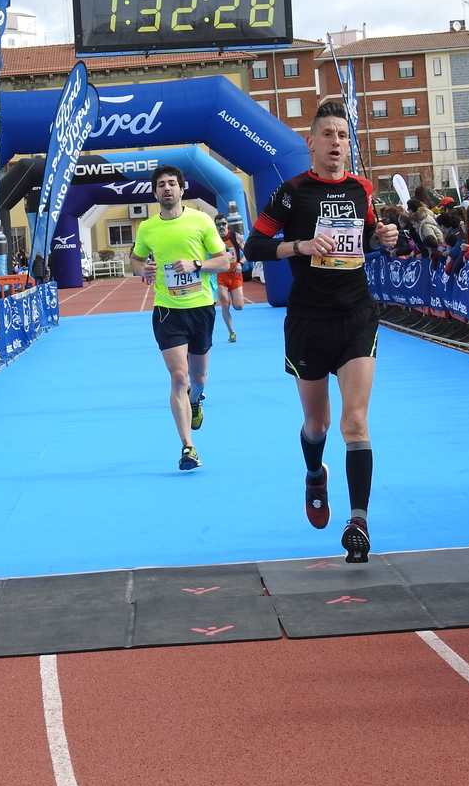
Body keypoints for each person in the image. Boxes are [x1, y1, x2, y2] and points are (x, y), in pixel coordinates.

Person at [243, 100, 399, 563]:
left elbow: (366, 236)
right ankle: (315, 473)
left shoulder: (360, 190)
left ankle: (359, 523)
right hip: (308, 320)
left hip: (355, 315)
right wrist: (300, 246)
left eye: (343, 135)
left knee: (355, 421)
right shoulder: (290, 193)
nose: (336, 143)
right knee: (319, 424)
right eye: (327, 135)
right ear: (311, 143)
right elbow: (254, 245)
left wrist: (383, 239)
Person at [130, 166, 231, 470]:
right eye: (161, 185)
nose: (167, 189)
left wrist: (197, 264)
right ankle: (188, 447)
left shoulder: (200, 220)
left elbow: (224, 260)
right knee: (179, 377)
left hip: (200, 308)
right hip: (167, 310)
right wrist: (141, 270)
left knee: (198, 379)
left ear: (182, 189)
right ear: (155, 192)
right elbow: (135, 259)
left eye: (172, 183)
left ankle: (196, 400)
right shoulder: (147, 228)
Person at [213, 214, 246, 343]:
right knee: (225, 304)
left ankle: (234, 298)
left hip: (235, 275)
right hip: (221, 275)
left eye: (223, 224)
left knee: (239, 306)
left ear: (227, 225)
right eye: (218, 224)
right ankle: (231, 332)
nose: (221, 227)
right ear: (215, 226)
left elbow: (248, 252)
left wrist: (240, 263)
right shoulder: (213, 239)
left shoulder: (235, 237)